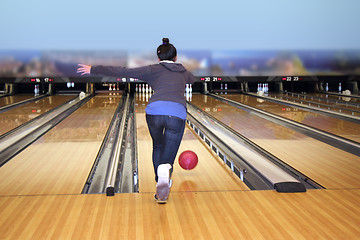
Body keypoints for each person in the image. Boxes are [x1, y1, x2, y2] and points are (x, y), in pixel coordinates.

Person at [77, 38, 195, 203]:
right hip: (176, 114)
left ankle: (160, 182)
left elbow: (123, 72)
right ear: (176, 57)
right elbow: (192, 80)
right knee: (167, 158)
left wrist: (94, 69)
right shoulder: (183, 71)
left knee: (158, 146)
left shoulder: (152, 69)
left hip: (154, 112)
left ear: (158, 58)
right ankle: (164, 174)